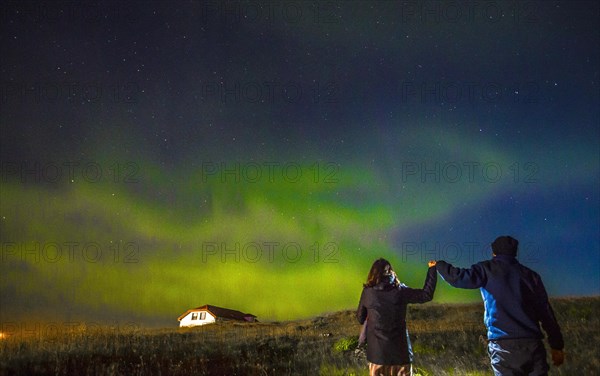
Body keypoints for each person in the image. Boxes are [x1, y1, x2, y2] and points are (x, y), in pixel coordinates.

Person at [435, 235, 565, 376]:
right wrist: (556, 345)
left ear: (494, 252)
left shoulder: (486, 269)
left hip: (503, 346)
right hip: (532, 345)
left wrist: (439, 265)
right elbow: (546, 313)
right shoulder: (531, 276)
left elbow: (458, 278)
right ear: (514, 252)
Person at [357, 258, 437, 376]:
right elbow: (426, 294)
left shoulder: (368, 292)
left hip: (377, 356)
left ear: (373, 274)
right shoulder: (401, 291)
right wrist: (432, 269)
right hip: (401, 355)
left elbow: (360, 318)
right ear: (391, 272)